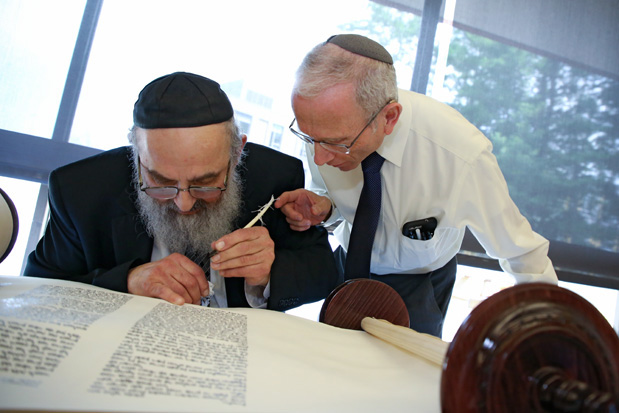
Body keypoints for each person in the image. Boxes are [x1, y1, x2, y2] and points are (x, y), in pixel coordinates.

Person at [274, 34, 558, 336]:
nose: (318, 157)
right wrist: (325, 208)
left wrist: (552, 333)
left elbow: (522, 254)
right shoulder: (327, 126)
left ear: (389, 118)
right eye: (309, 137)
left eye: (335, 143)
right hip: (346, 270)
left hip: (421, 285)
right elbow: (339, 201)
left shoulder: (460, 155)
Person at [25, 71, 339, 311]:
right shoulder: (81, 190)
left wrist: (268, 274)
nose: (184, 203)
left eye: (205, 182)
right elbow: (37, 289)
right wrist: (128, 281)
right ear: (137, 155)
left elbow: (325, 272)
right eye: (161, 182)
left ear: (237, 154)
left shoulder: (276, 176)